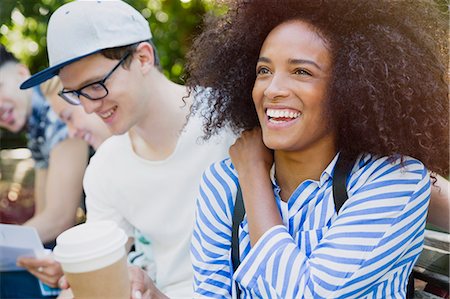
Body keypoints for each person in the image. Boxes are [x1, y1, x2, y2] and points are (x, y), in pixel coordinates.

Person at [185, 0, 449, 298]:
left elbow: (311, 293)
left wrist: (253, 175)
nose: (272, 89)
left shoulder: (392, 180)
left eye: (301, 72)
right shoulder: (222, 184)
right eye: (263, 70)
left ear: (350, 86)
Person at [20, 1, 234, 298]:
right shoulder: (105, 168)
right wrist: (72, 272)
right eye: (75, 94)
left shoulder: (231, 119)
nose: (88, 106)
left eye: (95, 85)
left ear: (143, 58)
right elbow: (105, 265)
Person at [0, 45, 89, 298]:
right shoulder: (37, 127)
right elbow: (44, 214)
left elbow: (60, 218)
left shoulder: (58, 108)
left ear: (20, 73)